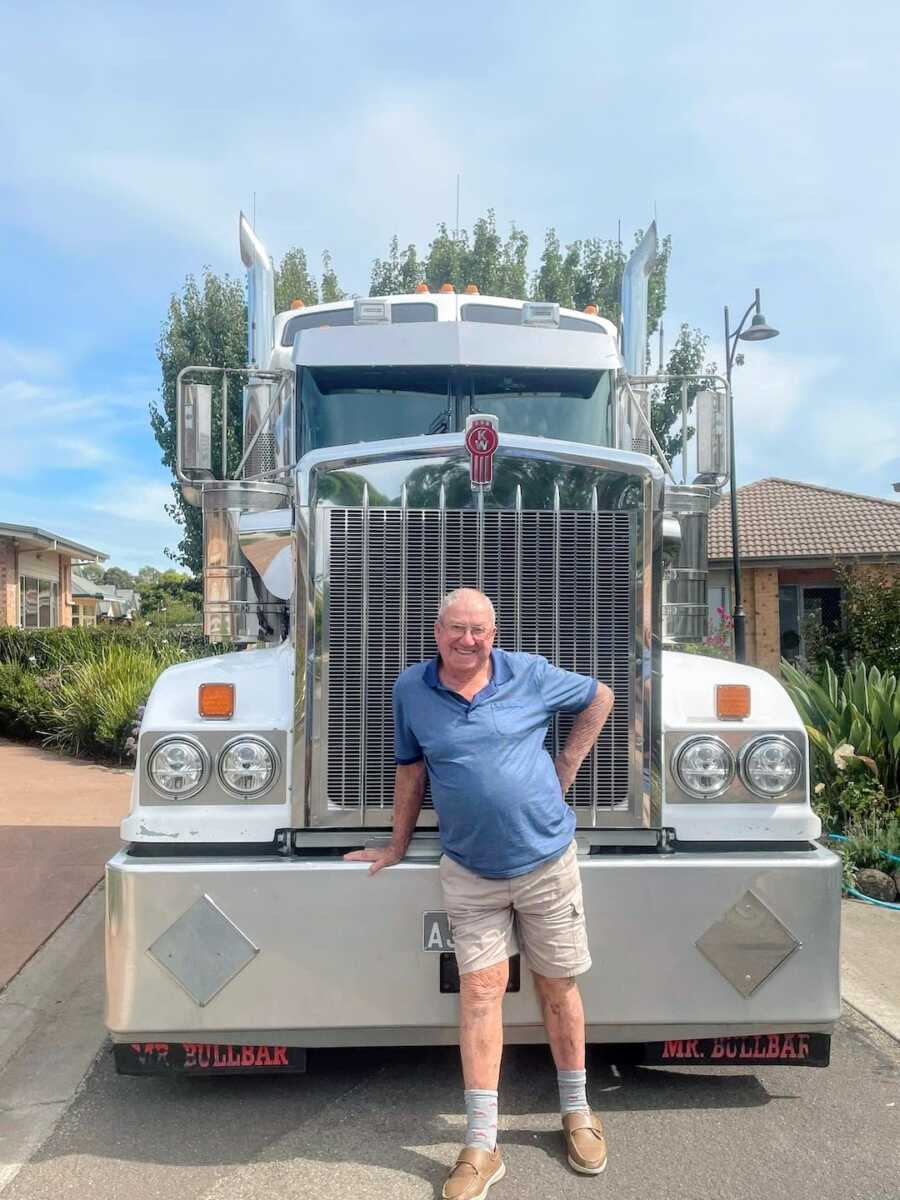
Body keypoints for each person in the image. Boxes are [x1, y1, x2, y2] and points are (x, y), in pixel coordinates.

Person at [345, 587, 615, 1197]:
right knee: (479, 995)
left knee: (558, 985)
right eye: (457, 629)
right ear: (436, 631)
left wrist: (565, 768)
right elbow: (410, 770)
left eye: (481, 631)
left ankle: (577, 1112)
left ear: (495, 633)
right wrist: (395, 845)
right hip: (469, 871)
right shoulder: (411, 689)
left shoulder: (531, 675)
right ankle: (481, 1143)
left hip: (547, 861)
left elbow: (600, 696)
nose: (469, 640)